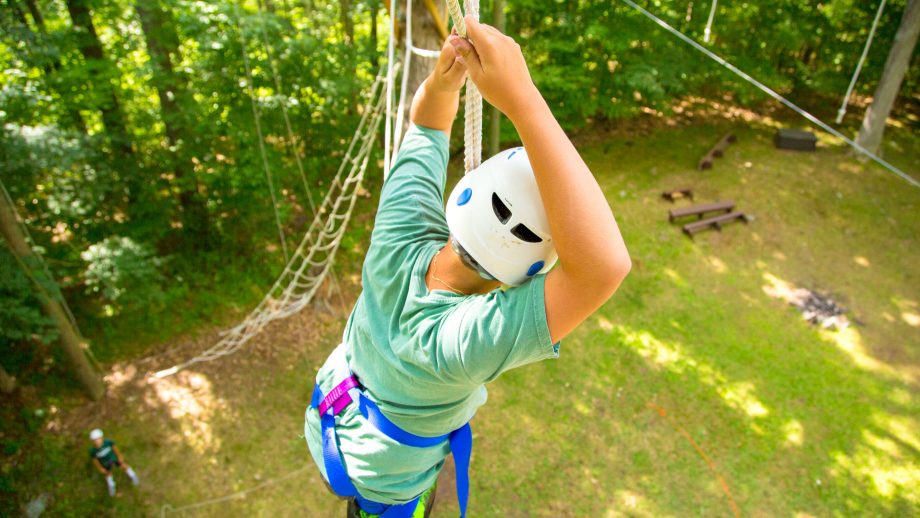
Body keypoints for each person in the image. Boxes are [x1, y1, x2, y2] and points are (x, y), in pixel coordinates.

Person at [305, 16, 631, 518]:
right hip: (384, 478)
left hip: (331, 417)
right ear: (532, 266)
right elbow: (601, 267)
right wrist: (521, 98)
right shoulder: (460, 344)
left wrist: (444, 81)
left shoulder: (400, 234)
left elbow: (428, 124)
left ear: (468, 191)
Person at [88, 428, 139, 497]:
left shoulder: (108, 443)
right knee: (107, 472)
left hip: (113, 458)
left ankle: (132, 475)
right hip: (105, 462)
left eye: (98, 439)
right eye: (95, 440)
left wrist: (119, 456)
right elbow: (95, 460)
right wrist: (100, 468)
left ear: (102, 438)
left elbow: (115, 449)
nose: (97, 441)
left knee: (123, 466)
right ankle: (111, 484)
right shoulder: (93, 450)